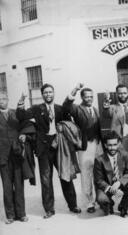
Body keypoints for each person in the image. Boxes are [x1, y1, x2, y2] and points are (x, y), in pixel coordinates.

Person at [16, 84, 81, 218]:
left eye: (50, 92)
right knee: (46, 180)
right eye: (45, 93)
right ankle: (49, 209)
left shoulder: (59, 109)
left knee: (66, 175)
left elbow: (68, 109)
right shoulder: (36, 109)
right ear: (42, 94)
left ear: (54, 93)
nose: (48, 95)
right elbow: (21, 116)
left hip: (60, 148)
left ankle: (73, 205)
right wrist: (21, 100)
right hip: (43, 149)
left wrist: (74, 91)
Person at [63, 83, 103, 213]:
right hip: (85, 146)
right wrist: (75, 89)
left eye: (91, 96)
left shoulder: (96, 110)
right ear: (82, 97)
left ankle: (100, 199)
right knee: (86, 175)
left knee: (98, 173)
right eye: (87, 97)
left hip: (97, 145)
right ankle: (89, 203)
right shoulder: (77, 109)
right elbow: (66, 106)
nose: (90, 99)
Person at [93, 130, 128, 218]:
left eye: (114, 144)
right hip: (106, 186)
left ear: (118, 144)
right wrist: (111, 189)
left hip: (119, 183)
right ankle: (109, 203)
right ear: (105, 145)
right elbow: (98, 180)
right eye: (109, 145)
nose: (112, 148)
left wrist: (119, 182)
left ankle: (123, 207)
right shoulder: (99, 159)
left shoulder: (124, 155)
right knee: (102, 200)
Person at [0, 93, 28, 224]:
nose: (1, 101)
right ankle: (10, 215)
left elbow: (24, 126)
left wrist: (23, 135)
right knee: (6, 187)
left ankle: (21, 214)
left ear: (8, 99)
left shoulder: (15, 113)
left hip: (17, 154)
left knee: (19, 184)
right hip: (2, 156)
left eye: (4, 98)